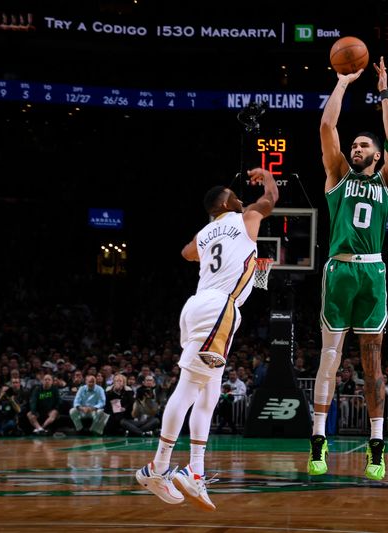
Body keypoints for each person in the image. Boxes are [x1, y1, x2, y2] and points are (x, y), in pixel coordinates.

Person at [136, 167, 278, 511]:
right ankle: (156, 467)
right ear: (227, 202)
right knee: (188, 390)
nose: (241, 197)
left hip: (200, 306)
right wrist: (268, 178)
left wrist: (209, 238)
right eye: (235, 194)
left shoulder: (207, 231)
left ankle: (195, 472)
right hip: (218, 308)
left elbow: (186, 252)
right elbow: (271, 199)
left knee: (209, 393)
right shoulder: (245, 217)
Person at [308, 55, 388, 482]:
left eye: (365, 146)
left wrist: (384, 94)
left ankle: (376, 446)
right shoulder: (337, 175)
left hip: (373, 272)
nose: (356, 148)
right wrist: (343, 83)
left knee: (372, 364)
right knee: (329, 358)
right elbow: (328, 128)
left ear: (378, 155)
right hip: (339, 270)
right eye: (355, 145)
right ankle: (318, 439)